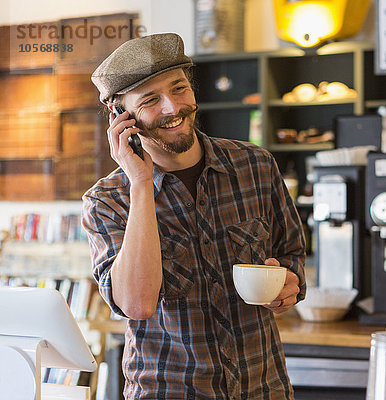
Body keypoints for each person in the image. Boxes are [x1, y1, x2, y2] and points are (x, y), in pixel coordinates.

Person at [82, 33, 306, 399]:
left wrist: (289, 289)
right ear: (120, 116)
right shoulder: (107, 200)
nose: (173, 107)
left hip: (263, 388)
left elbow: (291, 255)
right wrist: (141, 184)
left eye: (180, 88)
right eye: (151, 100)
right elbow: (137, 305)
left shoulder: (256, 166)